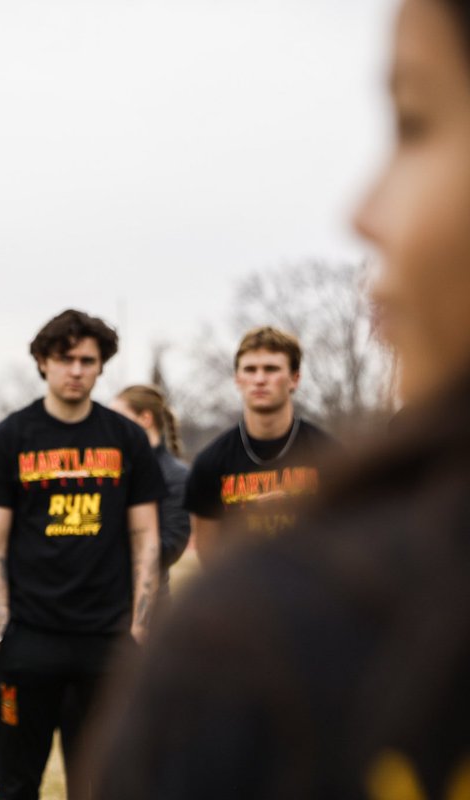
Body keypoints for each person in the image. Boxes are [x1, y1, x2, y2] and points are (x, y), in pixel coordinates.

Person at [89, 1, 470, 797]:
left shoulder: (271, 645)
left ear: (293, 378)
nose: (362, 213)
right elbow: (212, 544)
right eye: (249, 370)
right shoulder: (263, 611)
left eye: (417, 122)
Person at [0, 309, 164, 800]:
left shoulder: (127, 438)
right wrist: (1, 628)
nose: (76, 369)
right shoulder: (11, 438)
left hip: (108, 640)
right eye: (64, 359)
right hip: (30, 640)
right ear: (42, 362)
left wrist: (139, 626)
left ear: (101, 366)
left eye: (87, 360)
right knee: (16, 782)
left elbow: (146, 537)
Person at [183, 326, 340, 565]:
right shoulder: (211, 462)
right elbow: (209, 554)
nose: (259, 379)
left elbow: (351, 537)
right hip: (242, 597)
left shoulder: (329, 454)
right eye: (250, 369)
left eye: (271, 369)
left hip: (316, 595)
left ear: (294, 379)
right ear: (238, 379)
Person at [111, 384, 191, 603]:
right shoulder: (110, 471)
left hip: (151, 608)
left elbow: (169, 549)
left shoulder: (177, 476)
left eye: (118, 419)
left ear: (145, 419)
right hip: (99, 608)